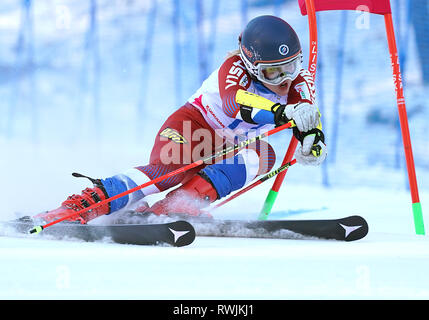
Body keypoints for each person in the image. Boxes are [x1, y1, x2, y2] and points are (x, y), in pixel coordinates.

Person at [34, 15, 327, 224]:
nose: (285, 79)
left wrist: (312, 142)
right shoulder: (234, 67)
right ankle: (85, 205)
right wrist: (282, 112)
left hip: (228, 148)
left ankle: (176, 207)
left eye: (292, 66)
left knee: (264, 154)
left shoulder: (301, 83)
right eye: (273, 72)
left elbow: (309, 126)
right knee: (167, 173)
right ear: (251, 65)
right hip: (193, 128)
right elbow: (234, 103)